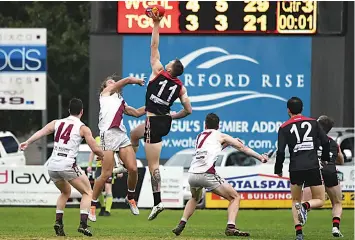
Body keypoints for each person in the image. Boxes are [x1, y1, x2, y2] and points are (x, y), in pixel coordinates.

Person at [172, 113, 268, 237]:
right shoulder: (221, 135)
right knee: (235, 197)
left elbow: (212, 150)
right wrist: (261, 157)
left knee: (195, 198)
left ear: (205, 125)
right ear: (218, 125)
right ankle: (231, 227)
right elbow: (243, 148)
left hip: (192, 175)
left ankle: (181, 223)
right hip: (206, 174)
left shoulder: (200, 136)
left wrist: (226, 144)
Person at [20, 98, 103, 237]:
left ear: (69, 110)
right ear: (82, 112)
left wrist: (27, 142)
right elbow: (94, 148)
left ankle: (58, 222)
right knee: (88, 192)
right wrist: (104, 156)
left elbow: (41, 132)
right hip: (67, 164)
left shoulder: (56, 123)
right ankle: (83, 224)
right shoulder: (83, 128)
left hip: (52, 165)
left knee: (65, 192)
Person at [144, 17, 192, 221]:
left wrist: (156, 23)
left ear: (170, 69)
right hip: (164, 121)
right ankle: (122, 159)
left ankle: (158, 202)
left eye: (170, 62)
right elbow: (188, 110)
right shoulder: (181, 87)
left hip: (153, 122)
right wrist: (174, 115)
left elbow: (154, 45)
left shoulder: (158, 70)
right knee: (134, 134)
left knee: (153, 166)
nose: (168, 62)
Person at [89, 74, 146, 222]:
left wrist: (153, 106)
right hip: (107, 135)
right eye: (109, 83)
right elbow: (126, 81)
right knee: (106, 174)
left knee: (133, 169)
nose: (112, 84)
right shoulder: (105, 95)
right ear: (105, 88)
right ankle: (93, 204)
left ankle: (130, 197)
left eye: (113, 83)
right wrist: (136, 81)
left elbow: (137, 113)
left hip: (121, 135)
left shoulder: (120, 101)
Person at [275, 97, 331, 240]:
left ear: (288, 110)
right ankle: (306, 206)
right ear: (302, 109)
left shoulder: (284, 127)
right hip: (312, 165)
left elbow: (280, 151)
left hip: (295, 168)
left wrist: (278, 169)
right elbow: (325, 141)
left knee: (295, 201)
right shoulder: (313, 123)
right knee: (320, 199)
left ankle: (299, 233)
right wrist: (325, 158)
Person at [302, 115, 344, 237]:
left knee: (307, 202)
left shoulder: (309, 140)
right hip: (330, 171)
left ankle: (303, 211)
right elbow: (341, 160)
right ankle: (335, 228)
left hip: (313, 171)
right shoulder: (333, 143)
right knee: (337, 202)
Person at [87, 136, 126, 217]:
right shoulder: (97, 139)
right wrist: (89, 165)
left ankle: (107, 211)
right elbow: (93, 152)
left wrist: (119, 167)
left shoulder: (112, 138)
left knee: (108, 188)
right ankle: (103, 206)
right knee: (98, 188)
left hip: (109, 167)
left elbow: (117, 154)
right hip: (99, 167)